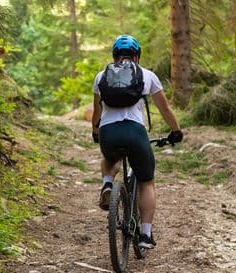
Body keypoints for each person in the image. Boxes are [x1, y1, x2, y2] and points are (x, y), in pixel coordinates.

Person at [91, 34, 183, 249]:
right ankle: (145, 234)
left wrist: (96, 131)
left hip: (109, 131)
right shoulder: (148, 75)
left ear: (114, 56)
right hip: (135, 132)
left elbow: (97, 111)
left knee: (110, 156)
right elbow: (165, 109)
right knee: (146, 181)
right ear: (137, 56)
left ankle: (107, 183)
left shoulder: (100, 76)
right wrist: (176, 131)